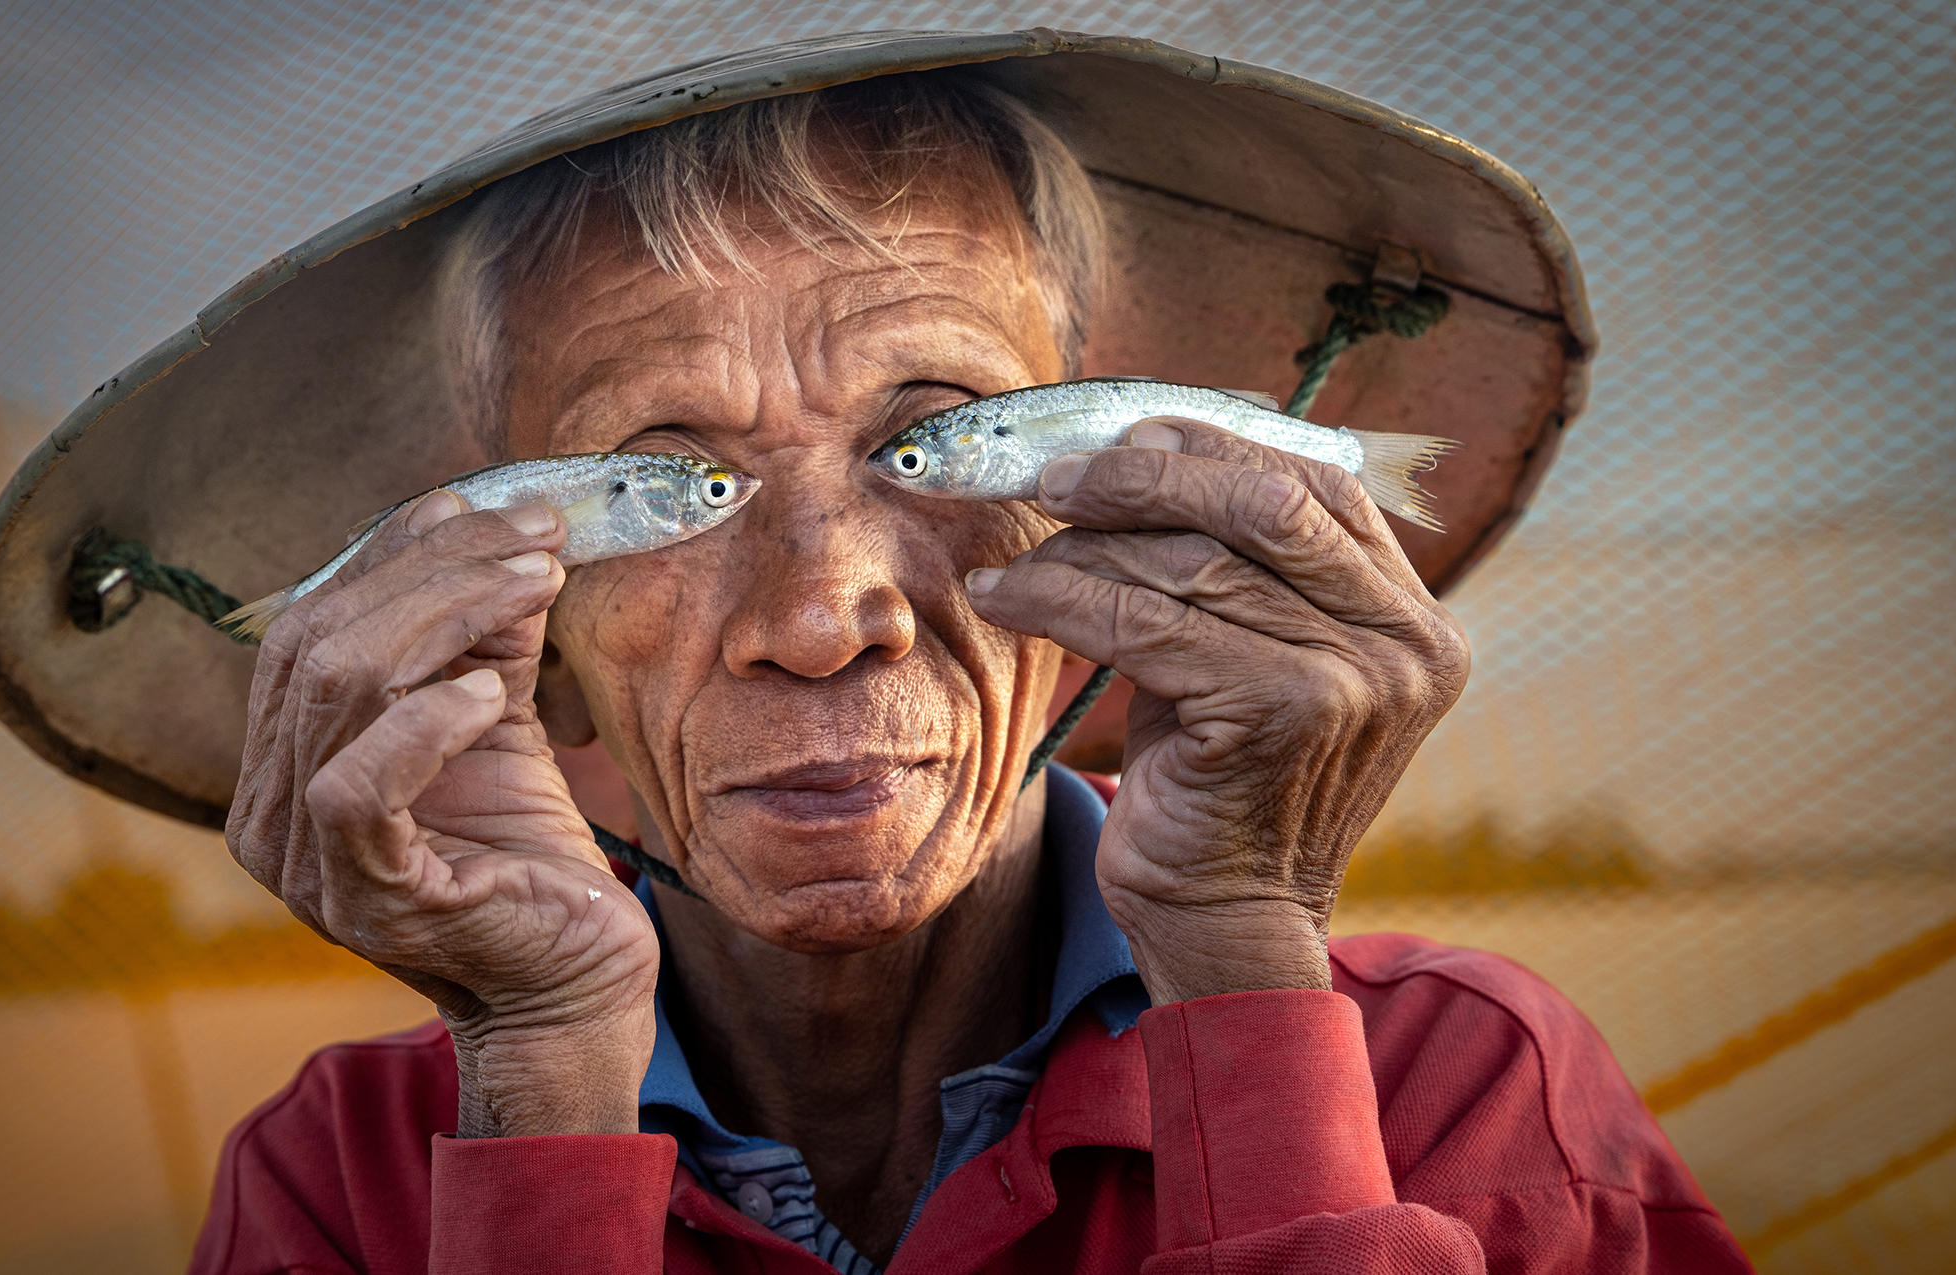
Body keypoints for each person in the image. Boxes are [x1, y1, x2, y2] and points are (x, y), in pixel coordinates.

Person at [178, 69, 1747, 1274]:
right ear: (540, 646)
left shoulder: (1459, 1082)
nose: (821, 613)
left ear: (1110, 542)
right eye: (662, 478)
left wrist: (1245, 964)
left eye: (927, 434)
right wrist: (541, 1076)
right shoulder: (343, 1183)